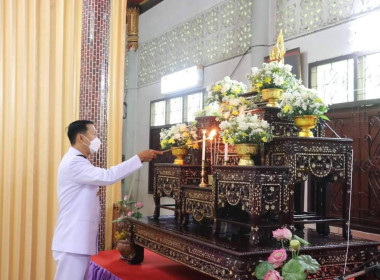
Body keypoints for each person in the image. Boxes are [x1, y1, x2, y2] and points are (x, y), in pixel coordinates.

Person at [52, 120, 162, 280]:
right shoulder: (74, 162)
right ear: (81, 138)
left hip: (76, 242)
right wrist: (138, 158)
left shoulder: (78, 160)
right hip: (72, 241)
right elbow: (108, 176)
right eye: (94, 134)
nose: (98, 139)